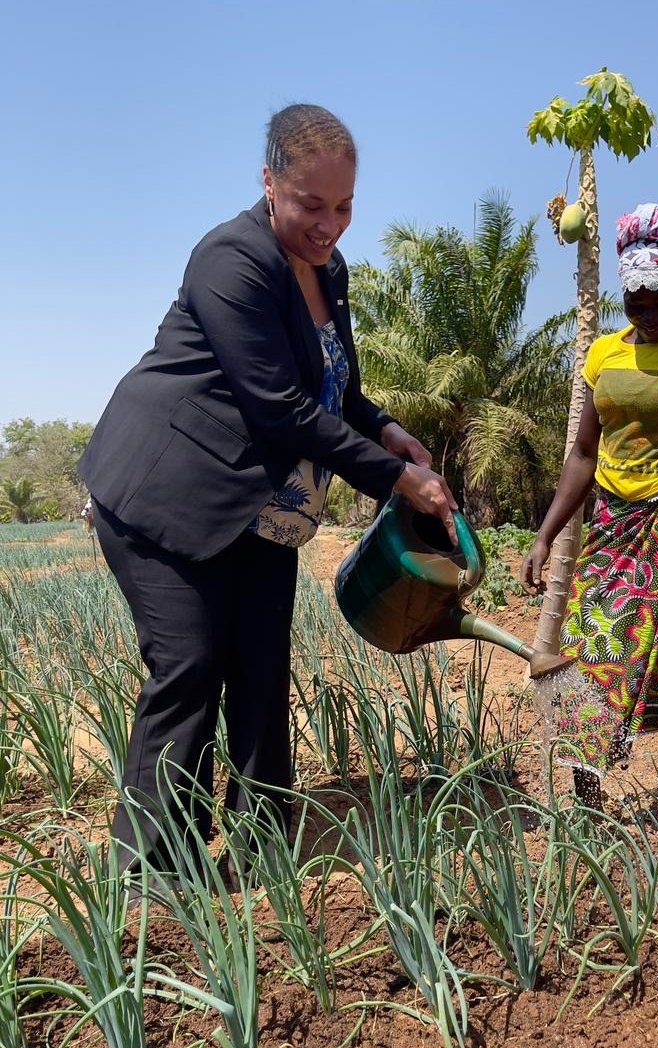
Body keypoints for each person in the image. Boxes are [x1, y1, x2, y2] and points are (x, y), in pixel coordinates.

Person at [79, 104, 458, 878]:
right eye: (310, 205)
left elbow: (333, 385)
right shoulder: (230, 259)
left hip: (260, 507)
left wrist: (386, 430)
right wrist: (395, 479)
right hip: (166, 490)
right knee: (188, 666)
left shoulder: (329, 269)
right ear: (268, 181)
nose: (329, 225)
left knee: (258, 663)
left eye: (345, 206)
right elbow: (277, 406)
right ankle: (151, 871)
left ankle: (259, 843)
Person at [521, 203, 658, 808]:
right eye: (637, 302)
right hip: (613, 527)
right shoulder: (604, 354)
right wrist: (546, 533)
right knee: (587, 652)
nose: (649, 314)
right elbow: (584, 454)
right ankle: (588, 801)